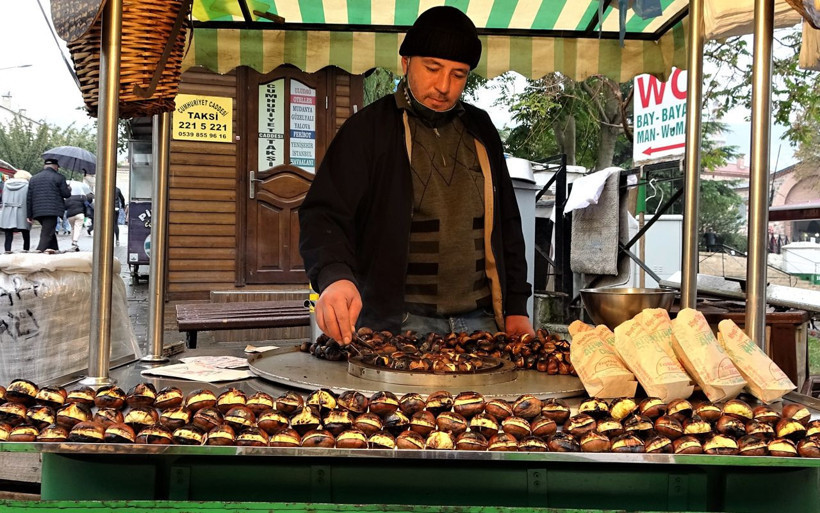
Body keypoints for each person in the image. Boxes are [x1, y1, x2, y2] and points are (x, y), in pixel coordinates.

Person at [299, 6, 534, 345]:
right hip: (398, 324)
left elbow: (508, 225)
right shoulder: (368, 130)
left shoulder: (481, 129)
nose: (444, 86)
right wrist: (334, 276)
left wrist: (516, 307)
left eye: (459, 74)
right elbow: (323, 214)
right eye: (433, 68)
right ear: (406, 62)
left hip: (482, 321)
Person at [27, 158, 71, 253]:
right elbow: (66, 194)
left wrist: (29, 215)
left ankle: (55, 250)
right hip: (52, 210)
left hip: (37, 210)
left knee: (49, 230)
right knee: (47, 233)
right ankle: (39, 251)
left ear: (44, 166)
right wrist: (68, 188)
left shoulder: (33, 178)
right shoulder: (59, 177)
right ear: (55, 167)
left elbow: (29, 198)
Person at [0, 170, 33, 253]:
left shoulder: (6, 185)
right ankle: (26, 250)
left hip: (7, 212)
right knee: (25, 233)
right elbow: (29, 200)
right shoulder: (28, 186)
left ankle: (7, 250)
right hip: (22, 212)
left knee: (8, 233)